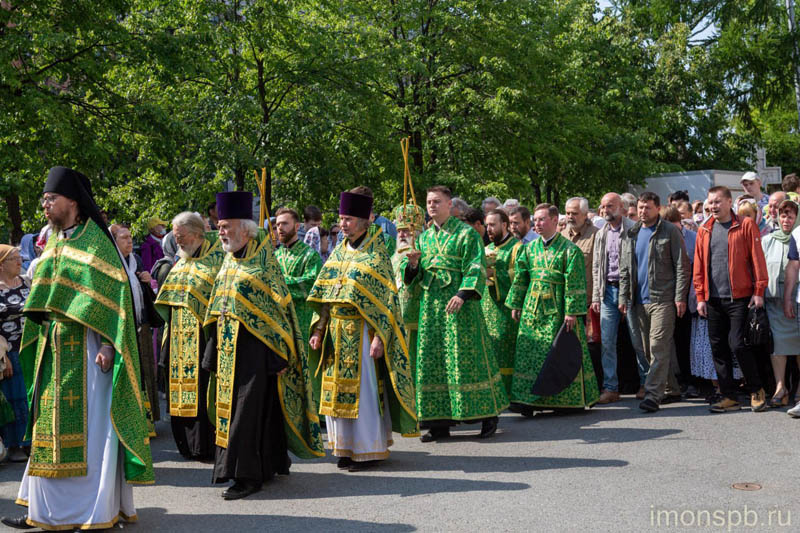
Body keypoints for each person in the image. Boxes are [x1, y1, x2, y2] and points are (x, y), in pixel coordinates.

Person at [3, 166, 153, 531]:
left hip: (88, 350)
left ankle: (95, 510)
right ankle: (42, 510)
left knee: (92, 431)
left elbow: (115, 299)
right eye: (43, 199)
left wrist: (107, 344)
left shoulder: (97, 242)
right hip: (53, 349)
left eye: (50, 199)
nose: (45, 205)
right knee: (47, 429)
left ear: (71, 200)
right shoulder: (55, 241)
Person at [202, 191, 323, 500]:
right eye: (220, 226)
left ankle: (246, 477)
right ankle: (266, 465)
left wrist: (277, 355)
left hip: (258, 356)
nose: (222, 232)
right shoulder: (228, 263)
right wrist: (211, 351)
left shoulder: (263, 264)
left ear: (246, 229)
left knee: (248, 415)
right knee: (246, 413)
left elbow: (279, 313)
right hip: (230, 353)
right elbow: (217, 308)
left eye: (227, 226)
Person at [307, 191, 418, 471]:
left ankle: (368, 450)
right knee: (334, 396)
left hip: (363, 333)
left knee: (365, 396)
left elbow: (387, 300)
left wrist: (381, 336)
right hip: (335, 332)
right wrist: (319, 330)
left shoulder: (377, 253)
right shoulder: (339, 250)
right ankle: (344, 448)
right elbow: (325, 295)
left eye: (349, 219)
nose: (343, 224)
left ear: (365, 221)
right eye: (341, 219)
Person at [404, 186, 508, 441]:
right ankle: (439, 423)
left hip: (460, 308)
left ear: (449, 205)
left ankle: (488, 416)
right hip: (431, 309)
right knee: (435, 363)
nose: (431, 206)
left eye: (437, 201)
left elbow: (476, 267)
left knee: (469, 361)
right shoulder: (424, 238)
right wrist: (413, 264)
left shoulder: (466, 234)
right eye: (429, 201)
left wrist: (462, 294)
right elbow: (412, 279)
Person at [506, 203, 599, 413]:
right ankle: (526, 400)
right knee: (529, 352)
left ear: (555, 221)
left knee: (557, 353)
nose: (537, 224)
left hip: (557, 311)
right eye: (535, 220)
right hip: (532, 309)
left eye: (541, 219)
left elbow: (575, 282)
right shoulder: (528, 248)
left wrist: (571, 312)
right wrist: (516, 304)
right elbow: (521, 278)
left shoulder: (570, 250)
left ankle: (564, 401)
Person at [155, 212, 224, 461]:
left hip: (203, 337)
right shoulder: (181, 262)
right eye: (175, 237)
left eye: (181, 237)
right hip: (177, 338)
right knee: (179, 390)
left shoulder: (216, 260)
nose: (179, 242)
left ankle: (204, 445)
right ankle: (186, 444)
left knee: (203, 389)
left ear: (197, 233)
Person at [694, 185, 769, 413]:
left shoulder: (746, 225)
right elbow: (698, 265)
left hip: (740, 298)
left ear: (729, 202)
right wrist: (700, 297)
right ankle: (728, 395)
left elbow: (757, 261)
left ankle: (757, 389)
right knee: (718, 348)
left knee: (737, 344)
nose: (713, 206)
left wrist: (759, 291)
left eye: (718, 202)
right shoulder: (704, 229)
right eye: (711, 202)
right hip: (713, 299)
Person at [619, 193, 689, 413]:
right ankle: (672, 388)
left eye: (647, 208)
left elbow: (681, 266)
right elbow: (624, 270)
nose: (642, 212)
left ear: (658, 208)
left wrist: (679, 297)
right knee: (648, 350)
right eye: (640, 208)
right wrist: (623, 296)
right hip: (638, 300)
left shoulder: (669, 231)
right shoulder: (632, 233)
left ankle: (653, 394)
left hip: (663, 298)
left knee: (658, 345)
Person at [592, 193, 649, 403]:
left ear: (622, 208)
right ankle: (610, 387)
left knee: (638, 340)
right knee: (607, 341)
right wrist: (597, 296)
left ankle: (646, 383)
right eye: (603, 206)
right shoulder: (601, 233)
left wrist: (631, 294)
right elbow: (597, 266)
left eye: (610, 206)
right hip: (608, 291)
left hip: (631, 292)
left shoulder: (634, 230)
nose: (606, 210)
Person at [761, 200, 800, 408]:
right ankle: (780, 386)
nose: (786, 219)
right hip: (775, 303)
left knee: (799, 345)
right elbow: (759, 269)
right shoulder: (767, 240)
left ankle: (799, 387)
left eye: (791, 216)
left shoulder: (799, 237)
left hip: (797, 300)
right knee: (778, 346)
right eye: (783, 215)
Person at [482, 209, 522, 396]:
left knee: (507, 352)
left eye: (493, 225)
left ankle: (509, 393)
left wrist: (495, 275)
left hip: (507, 311)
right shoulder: (486, 249)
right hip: (487, 309)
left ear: (504, 225)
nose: (488, 229)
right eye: (487, 225)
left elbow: (519, 278)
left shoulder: (517, 247)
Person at [0, 246, 30, 463]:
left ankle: (32, 441)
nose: (19, 262)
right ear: (1, 264)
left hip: (31, 348)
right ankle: (14, 444)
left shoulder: (26, 283)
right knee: (13, 398)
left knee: (30, 396)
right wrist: (3, 356)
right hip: (9, 354)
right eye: (14, 258)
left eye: (20, 258)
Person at [390, 203, 426, 374]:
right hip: (396, 319)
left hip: (417, 319)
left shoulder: (424, 252)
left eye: (406, 231)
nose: (402, 234)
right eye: (399, 231)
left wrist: (414, 265)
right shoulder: (393, 256)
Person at [562, 197, 600, 349]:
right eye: (568, 213)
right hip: (564, 304)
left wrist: (597, 299)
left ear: (585, 214)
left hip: (587, 303)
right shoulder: (561, 236)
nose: (570, 216)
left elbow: (599, 270)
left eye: (575, 213)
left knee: (590, 348)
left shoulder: (597, 235)